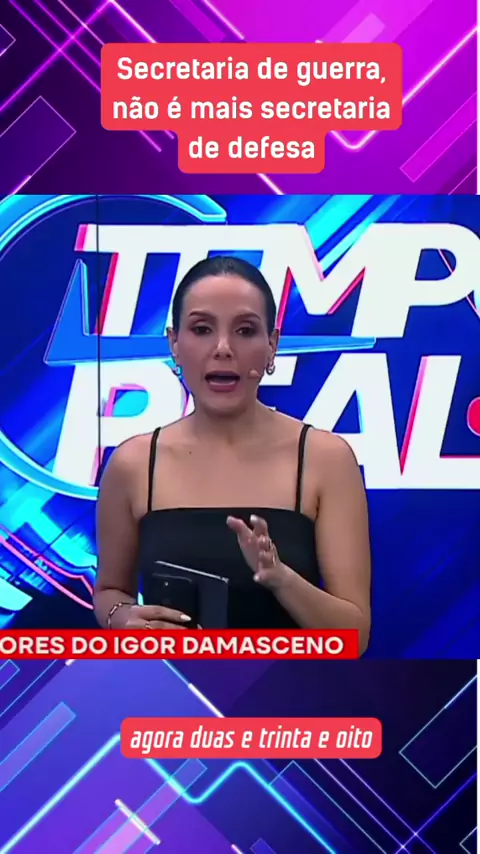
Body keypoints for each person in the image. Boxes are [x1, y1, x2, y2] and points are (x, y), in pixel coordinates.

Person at [95, 255, 371, 653]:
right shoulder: (134, 464)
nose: (223, 348)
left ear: (272, 345)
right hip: (171, 688)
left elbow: (354, 637)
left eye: (245, 331)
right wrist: (120, 618)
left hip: (288, 690)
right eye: (202, 329)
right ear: (174, 344)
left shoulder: (325, 459)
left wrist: (280, 578)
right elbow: (109, 591)